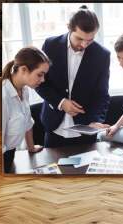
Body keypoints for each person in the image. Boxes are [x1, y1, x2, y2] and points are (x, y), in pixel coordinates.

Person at [36, 5, 111, 148]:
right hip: (53, 127)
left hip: (85, 131)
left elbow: (101, 94)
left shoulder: (102, 55)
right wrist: (60, 102)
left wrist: (95, 120)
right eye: (80, 39)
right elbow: (40, 83)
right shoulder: (50, 45)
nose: (84, 45)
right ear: (69, 28)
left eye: (90, 40)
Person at [2, 47, 51, 173]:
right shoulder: (3, 96)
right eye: (40, 75)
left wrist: (31, 147)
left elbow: (28, 121)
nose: (43, 80)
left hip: (11, 154)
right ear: (24, 69)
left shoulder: (24, 90)